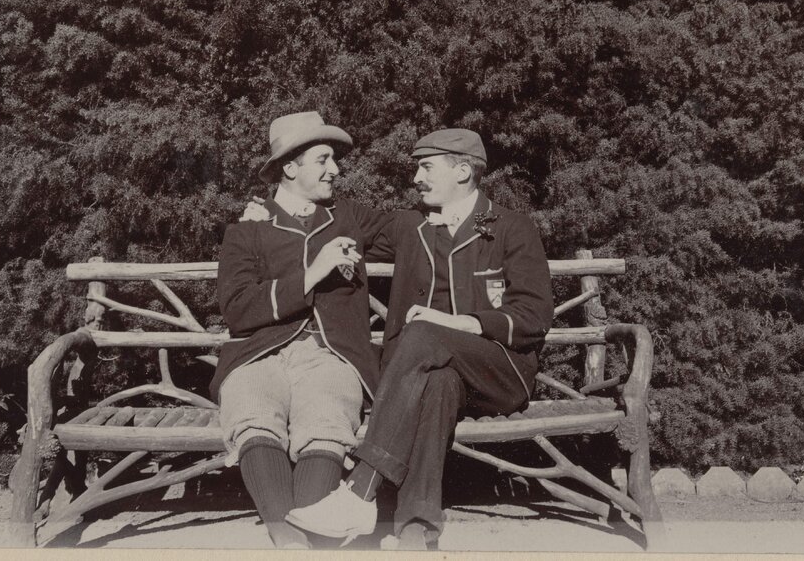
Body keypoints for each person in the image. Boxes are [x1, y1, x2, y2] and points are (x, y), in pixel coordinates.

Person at [282, 128, 554, 550]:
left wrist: (462, 323)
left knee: (425, 331)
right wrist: (270, 210)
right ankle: (415, 533)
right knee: (436, 384)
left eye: (426, 167)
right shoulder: (410, 226)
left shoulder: (511, 228)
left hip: (500, 371)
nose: (416, 178)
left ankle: (359, 491)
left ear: (463, 171)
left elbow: (534, 315)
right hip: (430, 375)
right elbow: (336, 217)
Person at [212, 111, 387, 549]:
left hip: (332, 354)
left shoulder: (349, 216)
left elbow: (417, 233)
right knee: (251, 410)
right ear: (290, 167)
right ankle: (292, 543)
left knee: (327, 417)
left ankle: (299, 539)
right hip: (258, 353)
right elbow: (237, 309)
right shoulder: (247, 230)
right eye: (324, 159)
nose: (336, 169)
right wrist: (313, 272)